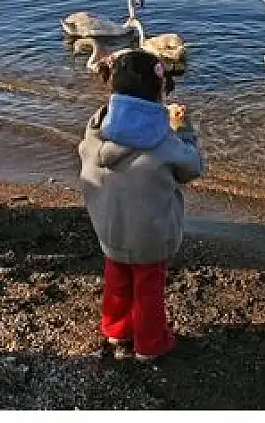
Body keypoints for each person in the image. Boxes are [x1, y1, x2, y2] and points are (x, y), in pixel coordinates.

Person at [78, 48, 204, 361]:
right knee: (148, 288)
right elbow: (192, 167)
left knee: (117, 280)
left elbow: (88, 152)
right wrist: (183, 131)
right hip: (151, 234)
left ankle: (117, 330)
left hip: (110, 229)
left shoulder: (96, 130)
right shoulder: (163, 141)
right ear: (159, 92)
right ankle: (150, 343)